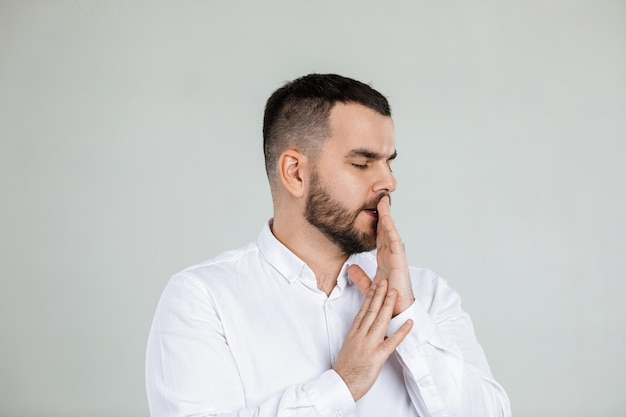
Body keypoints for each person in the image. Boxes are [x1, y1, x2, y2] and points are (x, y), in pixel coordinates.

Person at [145, 73, 511, 417]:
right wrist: (342, 384)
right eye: (363, 163)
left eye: (388, 163)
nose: (389, 182)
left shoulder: (427, 296)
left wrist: (405, 314)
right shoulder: (203, 301)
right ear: (296, 173)